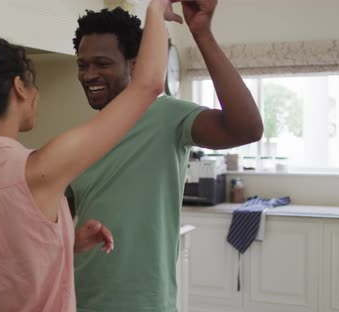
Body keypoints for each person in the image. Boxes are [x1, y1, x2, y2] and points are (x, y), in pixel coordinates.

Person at [0, 1, 182, 310]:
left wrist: (66, 240)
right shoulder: (36, 170)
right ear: (20, 88)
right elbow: (148, 85)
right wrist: (156, 11)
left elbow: (7, 264)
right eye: (34, 85)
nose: (38, 95)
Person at [67, 1, 264, 311]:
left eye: (102, 63)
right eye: (83, 64)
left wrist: (202, 35)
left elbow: (247, 128)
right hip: (77, 301)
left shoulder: (167, 115)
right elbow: (53, 232)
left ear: (134, 64)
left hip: (146, 303)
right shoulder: (80, 139)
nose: (89, 74)